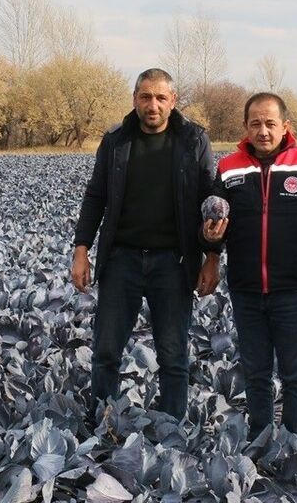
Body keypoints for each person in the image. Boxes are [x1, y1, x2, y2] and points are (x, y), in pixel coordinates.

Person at [71, 68, 219, 422]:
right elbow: (96, 196)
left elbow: (209, 200)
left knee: (173, 353)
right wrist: (81, 250)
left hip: (174, 261)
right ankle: (102, 421)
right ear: (135, 99)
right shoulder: (117, 140)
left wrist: (213, 256)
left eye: (160, 98)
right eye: (145, 97)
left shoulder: (193, 140)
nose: (152, 105)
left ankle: (172, 427)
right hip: (122, 258)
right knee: (106, 350)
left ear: (173, 101)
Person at [201, 92, 297, 441]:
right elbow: (215, 222)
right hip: (246, 288)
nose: (263, 131)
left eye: (270, 123)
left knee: (296, 374)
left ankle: (294, 443)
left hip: (293, 288)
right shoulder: (229, 167)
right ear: (246, 127)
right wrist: (209, 242)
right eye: (255, 124)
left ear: (285, 126)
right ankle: (260, 440)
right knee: (256, 372)